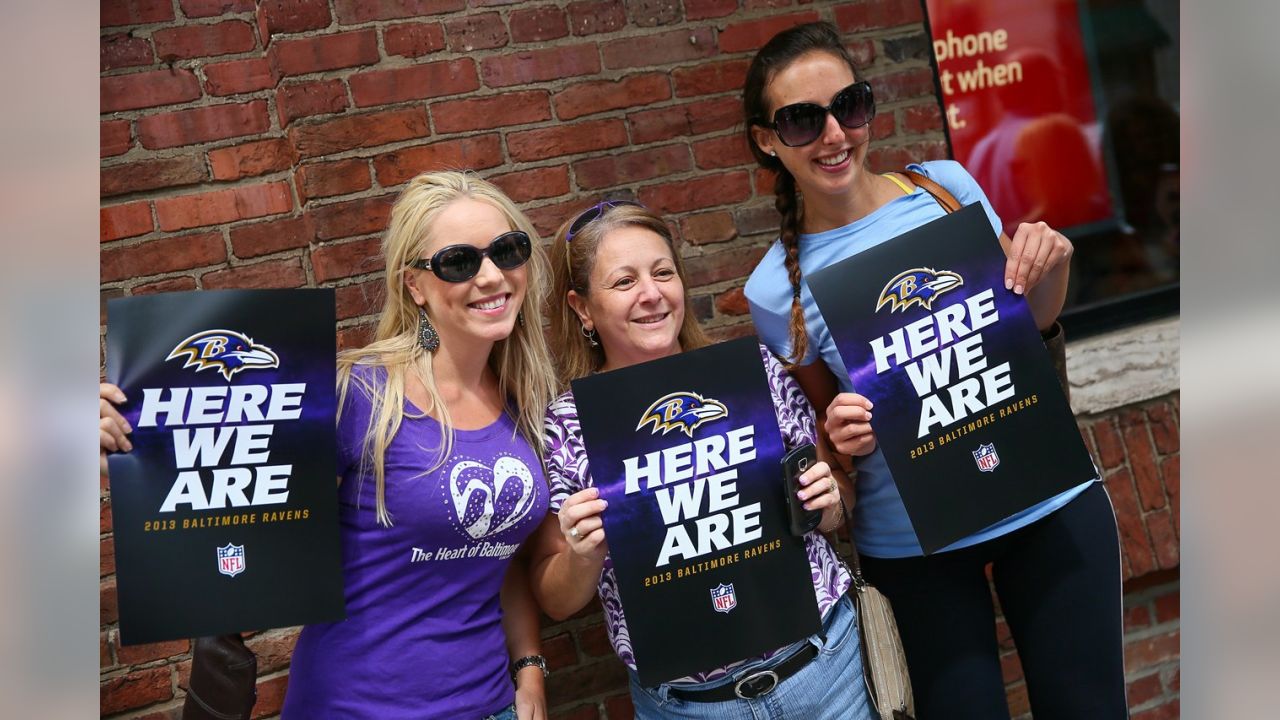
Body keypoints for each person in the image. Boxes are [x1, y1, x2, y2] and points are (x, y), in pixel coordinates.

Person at [740, 21, 1126, 720]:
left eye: (848, 106)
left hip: (1044, 500)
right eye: (801, 120)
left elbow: (1030, 327)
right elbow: (829, 447)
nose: (833, 135)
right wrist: (840, 434)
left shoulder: (945, 187)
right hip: (915, 546)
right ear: (767, 139)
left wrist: (1052, 263)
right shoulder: (774, 291)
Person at [100, 171, 556, 719]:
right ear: (415, 286)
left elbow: (495, 555)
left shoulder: (524, 398)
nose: (491, 276)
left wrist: (529, 670)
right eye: (459, 261)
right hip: (356, 706)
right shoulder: (361, 396)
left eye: (507, 251)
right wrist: (130, 455)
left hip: (489, 706)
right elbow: (229, 507)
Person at [527, 200, 872, 719]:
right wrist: (581, 553)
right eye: (624, 282)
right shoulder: (570, 426)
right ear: (582, 308)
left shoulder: (752, 374)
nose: (651, 294)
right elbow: (556, 601)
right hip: (690, 707)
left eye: (662, 272)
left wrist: (828, 503)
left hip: (826, 673)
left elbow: (839, 505)